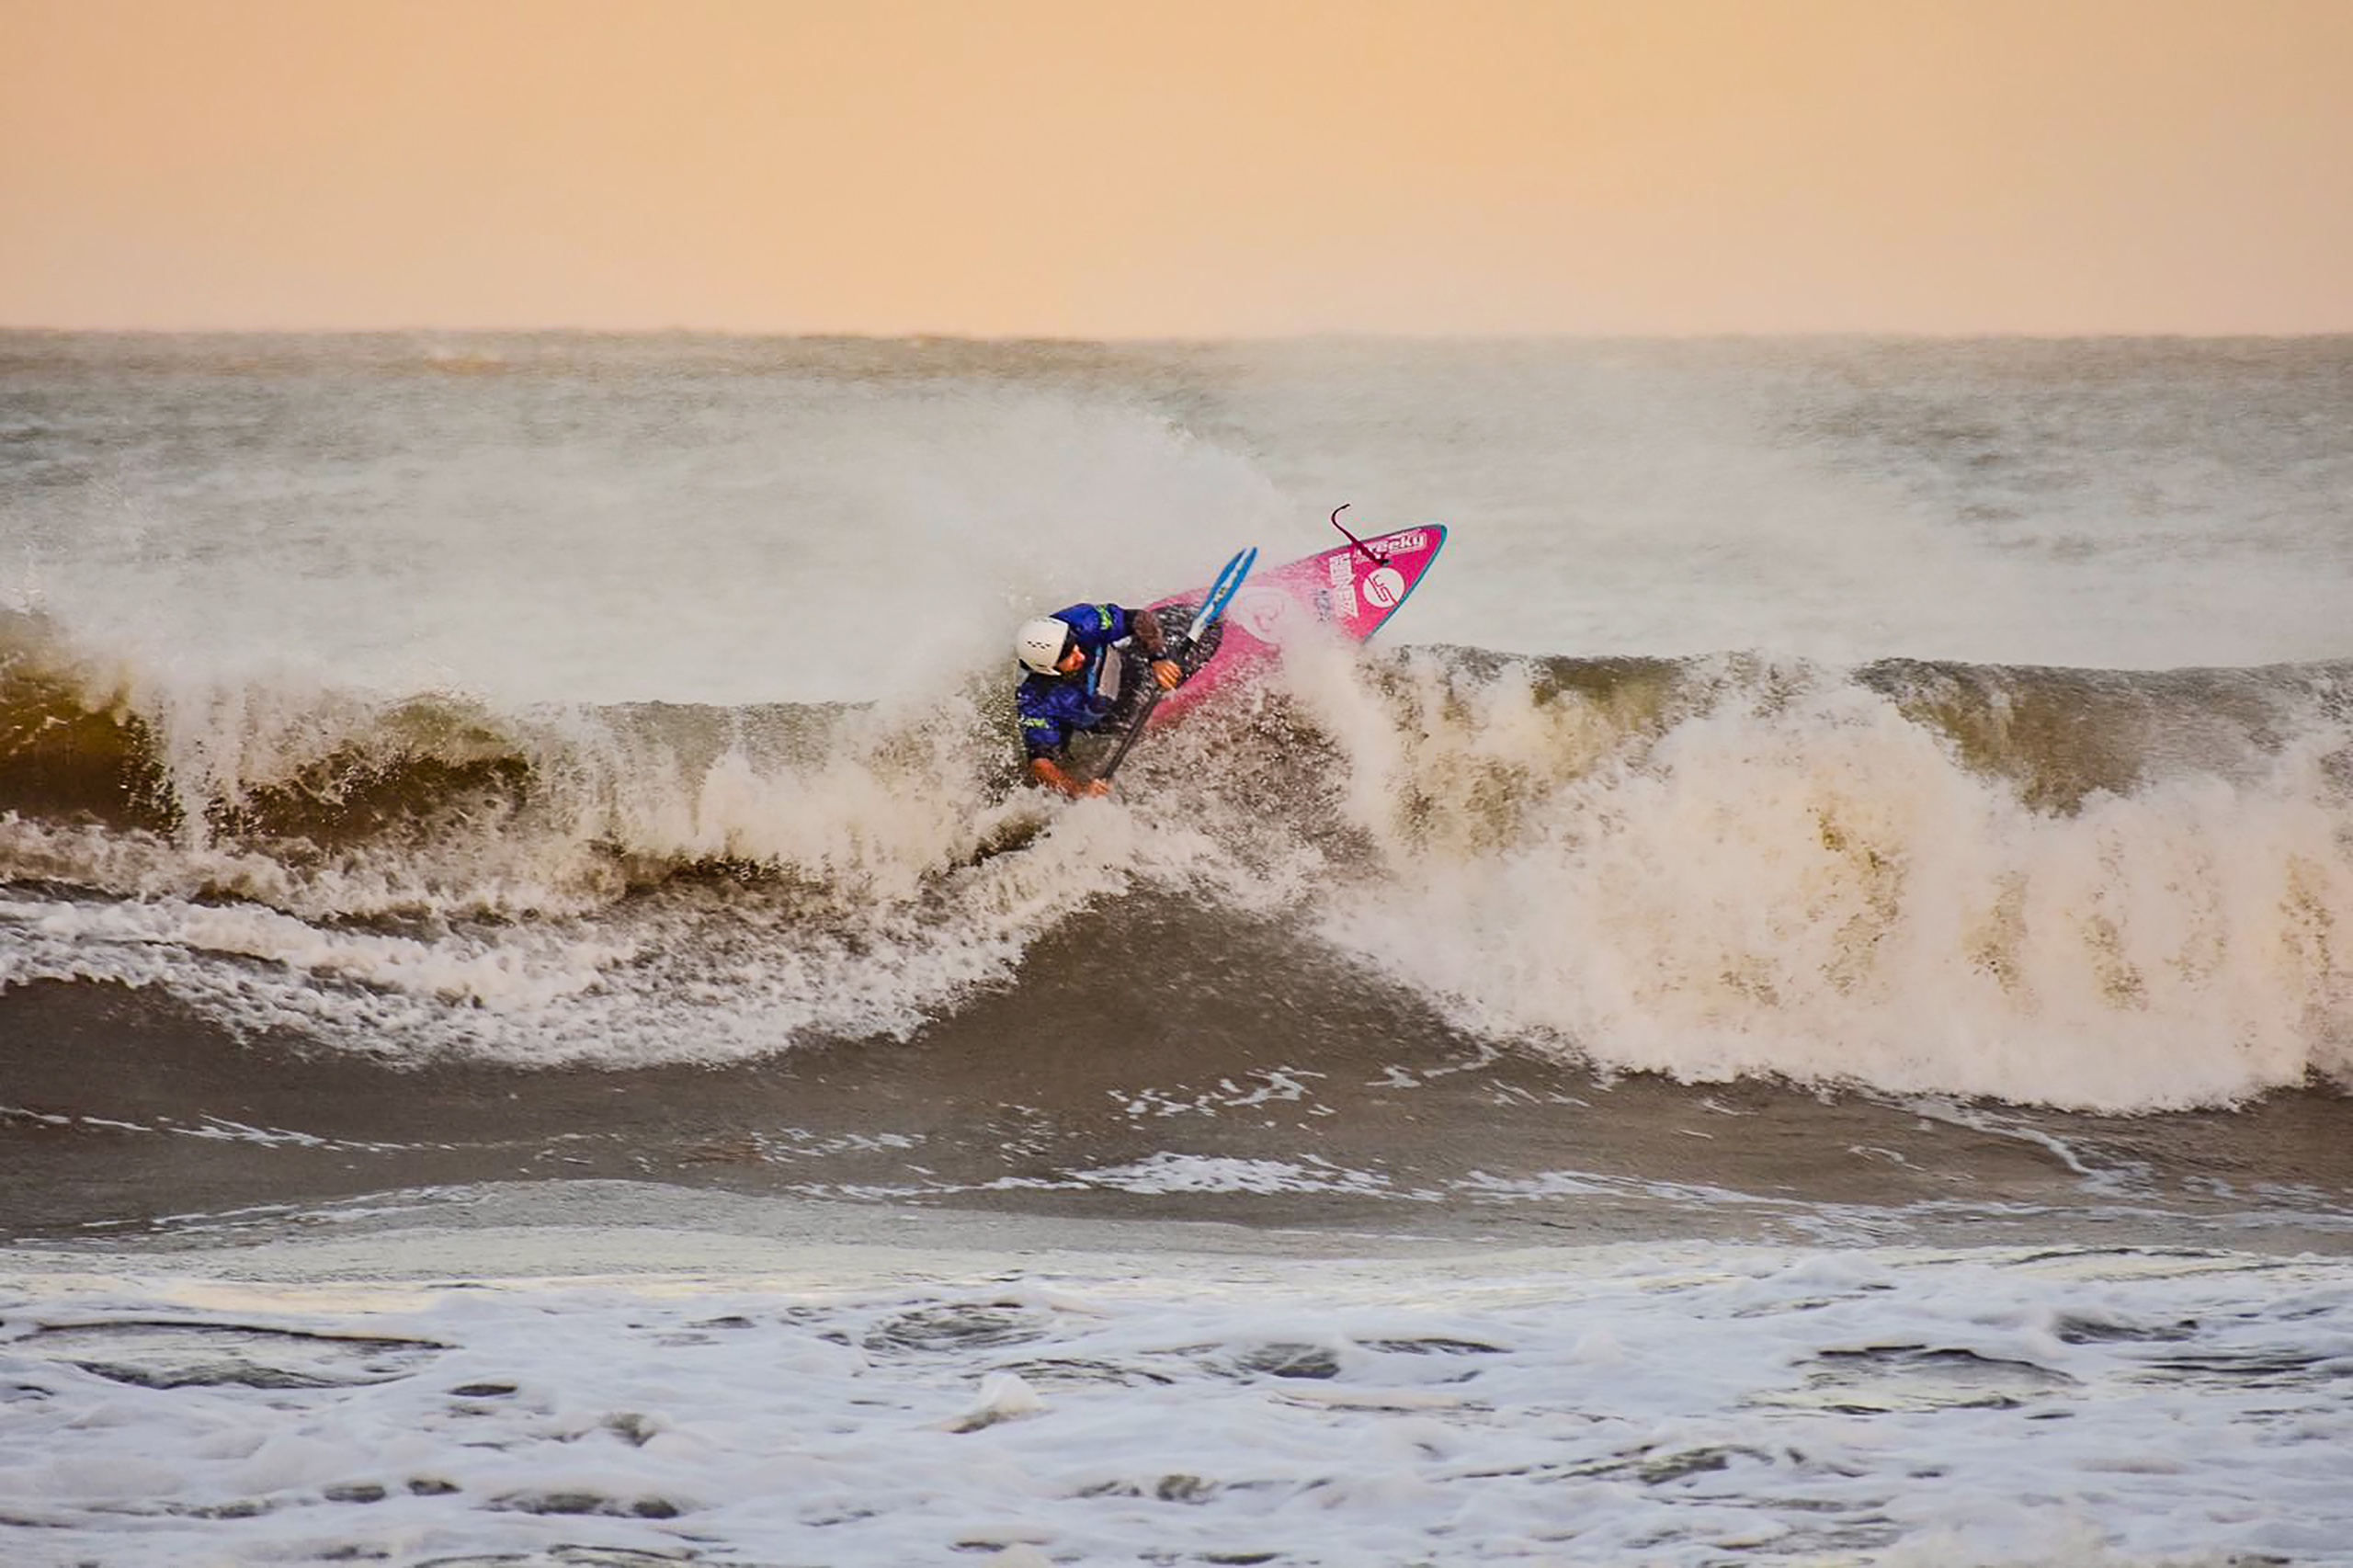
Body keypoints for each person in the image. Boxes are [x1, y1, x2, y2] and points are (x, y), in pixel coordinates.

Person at [1013, 602, 1187, 796]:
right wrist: (1079, 790)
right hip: (1110, 717)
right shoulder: (1035, 700)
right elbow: (1040, 765)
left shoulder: (1082, 621)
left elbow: (1139, 618)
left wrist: (1158, 658)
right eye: (1068, 657)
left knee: (1169, 636)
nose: (1080, 655)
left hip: (1126, 669)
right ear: (1048, 669)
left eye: (1074, 646)